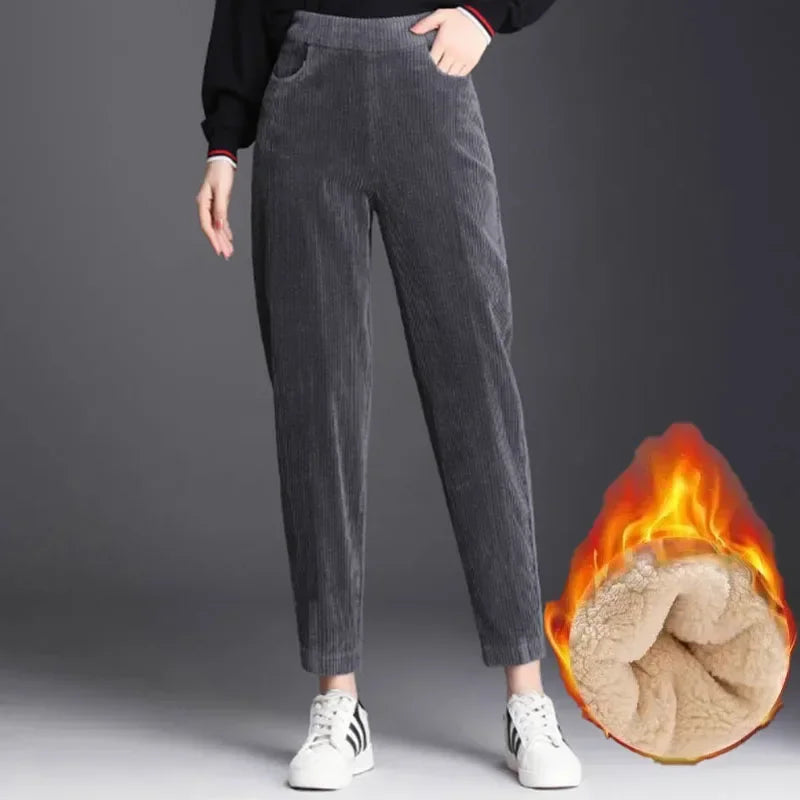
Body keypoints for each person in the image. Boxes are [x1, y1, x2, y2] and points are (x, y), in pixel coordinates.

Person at [195, 1, 582, 791]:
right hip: (305, 77)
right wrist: (224, 141)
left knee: (475, 385)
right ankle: (338, 702)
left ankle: (527, 697)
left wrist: (486, 13)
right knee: (317, 397)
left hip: (425, 71)